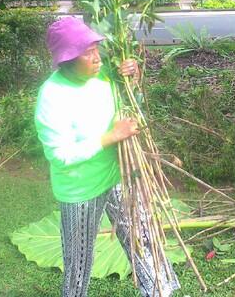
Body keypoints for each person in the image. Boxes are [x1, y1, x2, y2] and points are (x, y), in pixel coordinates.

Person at [35, 17, 180, 297]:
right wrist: (110, 137)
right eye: (86, 53)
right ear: (66, 60)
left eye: (95, 49)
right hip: (81, 189)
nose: (96, 57)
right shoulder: (52, 96)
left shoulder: (102, 77)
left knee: (142, 238)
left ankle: (159, 291)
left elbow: (128, 102)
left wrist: (132, 77)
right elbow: (60, 155)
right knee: (78, 262)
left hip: (118, 175)